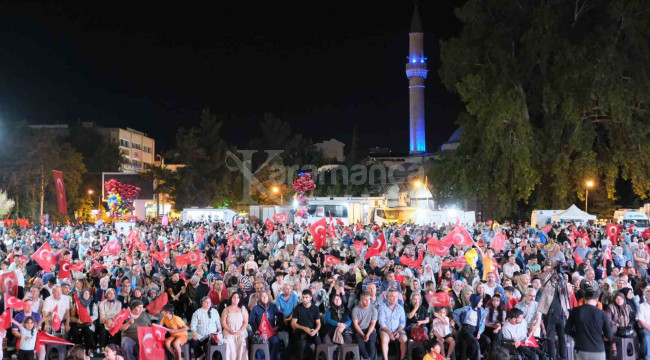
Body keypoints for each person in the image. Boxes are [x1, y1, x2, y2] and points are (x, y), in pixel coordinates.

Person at [566, 290, 613, 360]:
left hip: (580, 349)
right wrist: (601, 337)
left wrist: (576, 335)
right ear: (597, 300)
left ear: (584, 299)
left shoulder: (575, 311)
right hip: (598, 350)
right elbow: (609, 336)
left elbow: (567, 330)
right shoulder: (602, 313)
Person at [249, 290, 283, 360]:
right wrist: (256, 330)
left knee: (274, 340)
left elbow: (280, 316)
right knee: (259, 342)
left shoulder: (273, 306)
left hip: (271, 331)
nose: (264, 298)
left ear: (268, 297)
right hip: (260, 332)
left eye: (266, 296)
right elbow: (251, 321)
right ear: (260, 298)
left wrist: (277, 326)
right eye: (262, 296)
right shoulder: (255, 308)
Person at [453, 293, 488, 360]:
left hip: (476, 330)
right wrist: (459, 324)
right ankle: (473, 357)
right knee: (475, 343)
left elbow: (482, 324)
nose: (482, 303)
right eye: (480, 301)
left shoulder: (482, 311)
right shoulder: (467, 308)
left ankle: (478, 356)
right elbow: (455, 313)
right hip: (466, 329)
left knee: (487, 340)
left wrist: (479, 332)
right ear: (476, 301)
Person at [291, 289, 321, 360]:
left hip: (312, 330)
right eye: (303, 297)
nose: (304, 299)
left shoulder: (315, 308)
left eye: (306, 297)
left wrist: (315, 331)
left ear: (310, 298)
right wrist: (303, 328)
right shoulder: (298, 308)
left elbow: (318, 323)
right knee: (301, 345)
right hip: (301, 330)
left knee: (318, 342)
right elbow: (293, 323)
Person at [378, 289, 407, 360]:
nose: (394, 298)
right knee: (385, 339)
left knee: (404, 339)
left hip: (398, 330)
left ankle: (402, 358)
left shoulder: (400, 308)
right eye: (392, 296)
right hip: (385, 330)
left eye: (396, 296)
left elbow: (403, 322)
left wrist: (398, 331)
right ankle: (385, 358)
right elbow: (381, 322)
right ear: (387, 297)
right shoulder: (382, 307)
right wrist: (389, 333)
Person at [222, 291, 249, 360]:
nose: (236, 299)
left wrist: (239, 331)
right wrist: (229, 330)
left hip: (240, 332)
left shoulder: (242, 309)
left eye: (237, 298)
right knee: (228, 342)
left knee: (241, 342)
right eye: (234, 297)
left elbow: (245, 322)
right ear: (231, 298)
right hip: (229, 332)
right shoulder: (226, 309)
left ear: (239, 299)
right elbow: (223, 322)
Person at [352, 291, 378, 360]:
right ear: (361, 300)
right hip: (360, 330)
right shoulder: (355, 309)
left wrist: (368, 334)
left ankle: (370, 358)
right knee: (361, 345)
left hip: (370, 329)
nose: (368, 302)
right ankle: (367, 358)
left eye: (369, 299)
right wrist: (363, 335)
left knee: (371, 345)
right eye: (365, 300)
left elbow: (373, 324)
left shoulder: (374, 309)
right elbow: (356, 324)